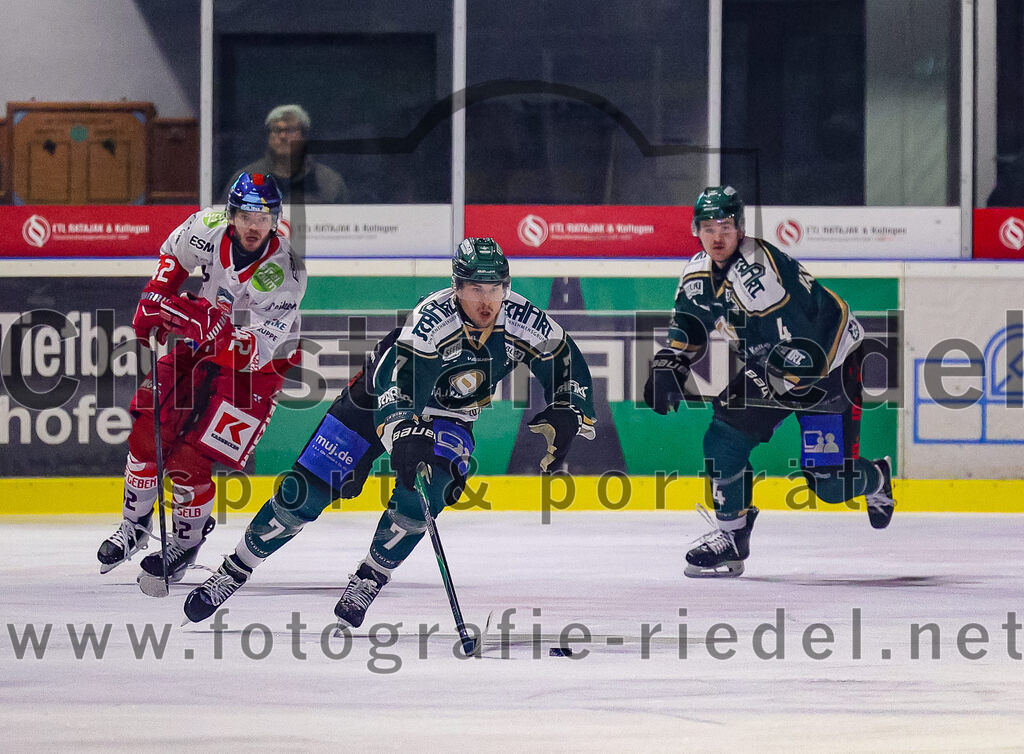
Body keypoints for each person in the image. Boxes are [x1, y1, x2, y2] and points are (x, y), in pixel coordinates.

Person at [182, 237, 597, 625]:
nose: (486, 301)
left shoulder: (522, 318)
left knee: (426, 496)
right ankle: (235, 568)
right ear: (456, 287)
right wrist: (404, 432)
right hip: (377, 397)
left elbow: (563, 358)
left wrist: (568, 406)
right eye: (475, 289)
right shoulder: (432, 319)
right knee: (305, 491)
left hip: (451, 415)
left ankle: (370, 576)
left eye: (494, 289)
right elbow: (398, 382)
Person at [644, 186, 896, 578]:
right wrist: (672, 359)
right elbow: (690, 323)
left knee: (828, 485)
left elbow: (815, 327)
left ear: (740, 228)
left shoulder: (759, 273)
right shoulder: (697, 272)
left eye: (725, 226)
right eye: (707, 227)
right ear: (696, 230)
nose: (716, 237)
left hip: (828, 366)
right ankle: (731, 537)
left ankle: (878, 476)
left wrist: (795, 379)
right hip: (772, 366)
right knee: (723, 437)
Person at [96, 172, 307, 586]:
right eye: (245, 215)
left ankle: (185, 541)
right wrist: (154, 298)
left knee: (191, 460)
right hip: (201, 341)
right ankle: (134, 527)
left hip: (259, 369)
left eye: (262, 218)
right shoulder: (206, 227)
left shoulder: (287, 272)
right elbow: (173, 257)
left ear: (275, 220)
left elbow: (255, 351)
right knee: (146, 433)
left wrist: (212, 330)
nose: (253, 226)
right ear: (231, 215)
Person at [226, 104, 350, 205]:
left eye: (290, 130)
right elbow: (225, 222)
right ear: (268, 136)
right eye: (276, 130)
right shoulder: (246, 179)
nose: (283, 136)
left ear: (304, 135)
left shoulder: (328, 181)